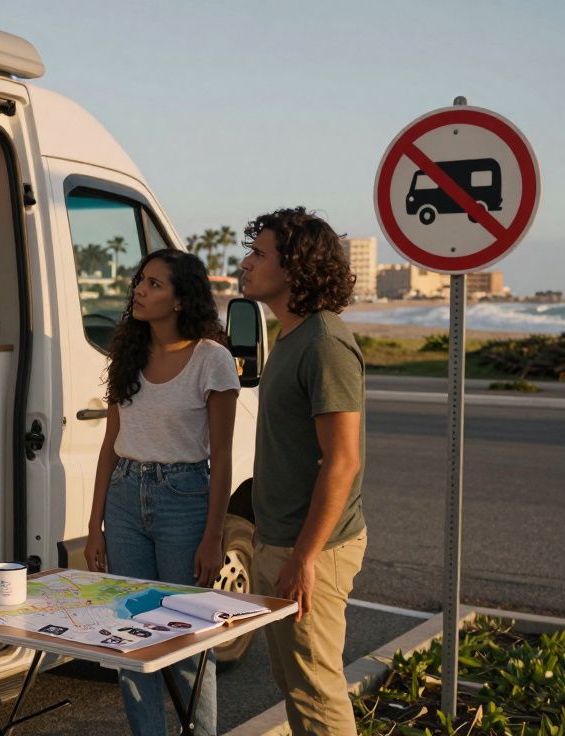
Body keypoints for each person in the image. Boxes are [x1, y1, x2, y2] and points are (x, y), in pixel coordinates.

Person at [84, 248, 240, 736]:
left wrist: (213, 536)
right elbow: (109, 447)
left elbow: (222, 458)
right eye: (140, 281)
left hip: (184, 500)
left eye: (154, 284)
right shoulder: (127, 353)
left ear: (180, 299)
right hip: (124, 498)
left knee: (188, 639)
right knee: (132, 637)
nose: (139, 290)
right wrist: (95, 526)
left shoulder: (212, 359)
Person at [238, 207, 366, 735]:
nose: (246, 263)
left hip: (313, 548)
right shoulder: (292, 336)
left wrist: (304, 556)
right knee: (294, 684)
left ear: (294, 268)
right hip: (281, 541)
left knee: (316, 693)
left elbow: (343, 460)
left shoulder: (324, 342)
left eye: (259, 254)